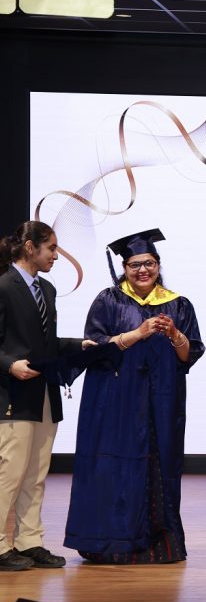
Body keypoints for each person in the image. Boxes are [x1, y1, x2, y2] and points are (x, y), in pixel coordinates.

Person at [64, 229, 205, 564]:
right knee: (115, 465)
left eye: (149, 263)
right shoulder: (109, 301)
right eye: (135, 265)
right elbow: (95, 346)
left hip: (162, 402)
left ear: (158, 265)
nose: (143, 270)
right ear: (124, 268)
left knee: (161, 464)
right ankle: (112, 542)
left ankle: (161, 542)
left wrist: (175, 334)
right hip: (117, 400)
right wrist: (138, 333)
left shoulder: (178, 304)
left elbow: (189, 355)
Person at [0, 221, 90, 571]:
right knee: (10, 474)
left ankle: (29, 541)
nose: (56, 255)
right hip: (13, 395)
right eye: (51, 248)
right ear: (29, 247)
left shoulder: (47, 289)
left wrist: (79, 345)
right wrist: (10, 365)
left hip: (45, 393)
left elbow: (46, 344)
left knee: (36, 474)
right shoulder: (4, 285)